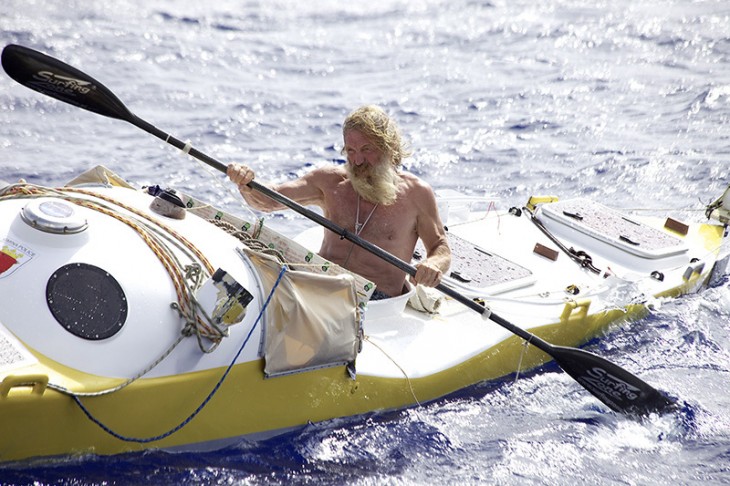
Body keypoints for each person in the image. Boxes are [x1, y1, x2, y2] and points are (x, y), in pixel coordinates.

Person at [227, 105, 451, 299]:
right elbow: (269, 200)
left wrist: (433, 265)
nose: (357, 160)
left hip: (376, 300)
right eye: (351, 150)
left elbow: (440, 247)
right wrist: (246, 182)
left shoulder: (416, 194)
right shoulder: (330, 181)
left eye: (366, 149)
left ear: (389, 147)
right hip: (320, 285)